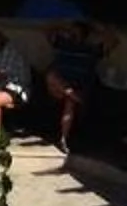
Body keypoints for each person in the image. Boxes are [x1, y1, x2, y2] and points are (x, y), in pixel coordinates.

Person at [41, 19, 114, 153]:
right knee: (51, 75)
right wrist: (63, 26)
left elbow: (112, 41)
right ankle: (76, 97)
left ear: (84, 34)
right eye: (71, 32)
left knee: (70, 103)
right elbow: (47, 31)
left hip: (76, 85)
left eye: (76, 32)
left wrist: (98, 28)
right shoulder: (63, 44)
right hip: (58, 86)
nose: (72, 35)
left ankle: (63, 139)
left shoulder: (90, 49)